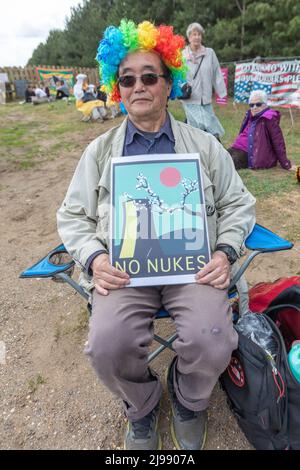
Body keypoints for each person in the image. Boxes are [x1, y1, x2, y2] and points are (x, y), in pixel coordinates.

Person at [57, 19, 256, 451]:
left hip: (193, 269)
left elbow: (239, 203)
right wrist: (93, 258)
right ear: (117, 88)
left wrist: (224, 251)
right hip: (124, 272)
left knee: (213, 337)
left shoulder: (203, 146)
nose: (138, 86)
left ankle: (189, 399)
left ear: (169, 84)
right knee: (106, 346)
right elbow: (73, 215)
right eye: (126, 79)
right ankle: (142, 406)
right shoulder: (100, 152)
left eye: (150, 77)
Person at [181, 22, 226, 139]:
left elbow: (216, 72)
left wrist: (221, 92)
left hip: (205, 98)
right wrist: (180, 88)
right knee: (200, 126)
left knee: (209, 122)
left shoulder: (209, 53)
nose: (197, 37)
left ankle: (211, 145)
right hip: (190, 98)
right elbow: (178, 75)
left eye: (199, 34)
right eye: (194, 34)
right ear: (189, 37)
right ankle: (209, 143)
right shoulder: (183, 55)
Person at [228, 90, 292, 170]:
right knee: (220, 155)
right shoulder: (249, 115)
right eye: (251, 105)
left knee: (227, 163)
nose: (254, 107)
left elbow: (278, 142)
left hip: (250, 153)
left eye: (258, 104)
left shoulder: (269, 118)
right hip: (236, 147)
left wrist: (286, 164)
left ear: (265, 104)